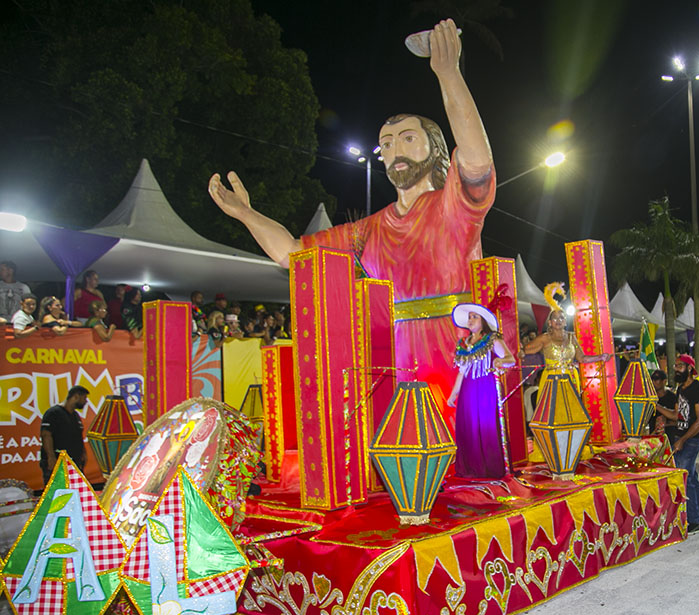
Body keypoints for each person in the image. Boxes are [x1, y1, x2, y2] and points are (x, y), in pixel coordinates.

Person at [209, 19, 493, 417]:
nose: (395, 149)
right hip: (392, 360)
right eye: (387, 143)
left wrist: (448, 76)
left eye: (408, 138)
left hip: (455, 351)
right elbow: (291, 254)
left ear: (435, 149)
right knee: (402, 454)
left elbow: (477, 160)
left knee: (460, 454)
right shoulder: (367, 230)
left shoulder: (454, 205)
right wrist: (246, 214)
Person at [446, 302, 513, 478]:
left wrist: (500, 361)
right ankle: (470, 468)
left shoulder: (492, 339)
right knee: (468, 425)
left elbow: (510, 359)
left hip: (485, 387)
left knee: (485, 426)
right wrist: (454, 393)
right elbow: (462, 371)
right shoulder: (464, 344)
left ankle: (488, 468)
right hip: (468, 389)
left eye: (474, 317)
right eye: (469, 317)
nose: (470, 320)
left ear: (483, 321)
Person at [671, 353, 699, 533]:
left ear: (690, 369)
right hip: (682, 437)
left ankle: (693, 519)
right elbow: (677, 416)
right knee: (691, 477)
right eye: (675, 366)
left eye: (680, 366)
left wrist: (682, 441)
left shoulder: (698, 389)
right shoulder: (680, 389)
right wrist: (656, 407)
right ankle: (697, 516)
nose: (676, 369)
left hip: (692, 439)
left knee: (684, 477)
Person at [39, 385, 90, 484]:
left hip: (74, 462)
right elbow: (46, 435)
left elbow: (78, 436)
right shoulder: (53, 413)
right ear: (76, 397)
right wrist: (51, 457)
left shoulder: (75, 416)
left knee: (75, 491)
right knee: (57, 492)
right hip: (58, 461)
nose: (86, 401)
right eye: (84, 398)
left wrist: (83, 452)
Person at [648, 369, 679, 440]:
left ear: (664, 381)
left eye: (656, 379)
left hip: (670, 437)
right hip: (653, 437)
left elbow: (679, 419)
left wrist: (666, 423)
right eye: (651, 379)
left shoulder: (672, 398)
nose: (653, 382)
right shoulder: (650, 397)